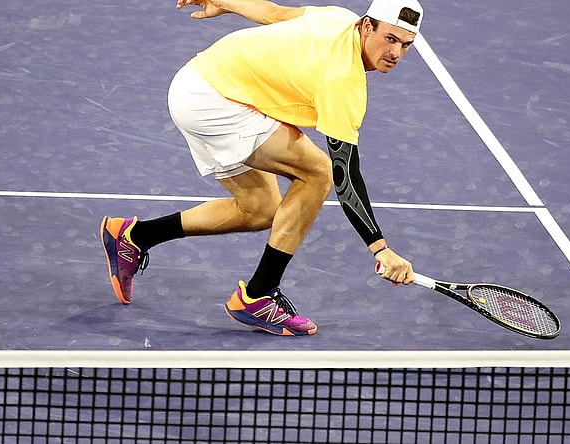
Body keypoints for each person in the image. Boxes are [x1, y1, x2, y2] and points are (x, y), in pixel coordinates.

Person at [100, 0, 421, 336]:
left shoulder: (339, 18)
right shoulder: (343, 82)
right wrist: (380, 248)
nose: (396, 53)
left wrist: (224, 1)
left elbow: (273, 15)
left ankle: (134, 237)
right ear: (367, 26)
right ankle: (258, 295)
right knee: (318, 172)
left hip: (199, 83)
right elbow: (345, 176)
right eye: (390, 39)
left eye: (405, 44)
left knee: (260, 209)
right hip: (216, 101)